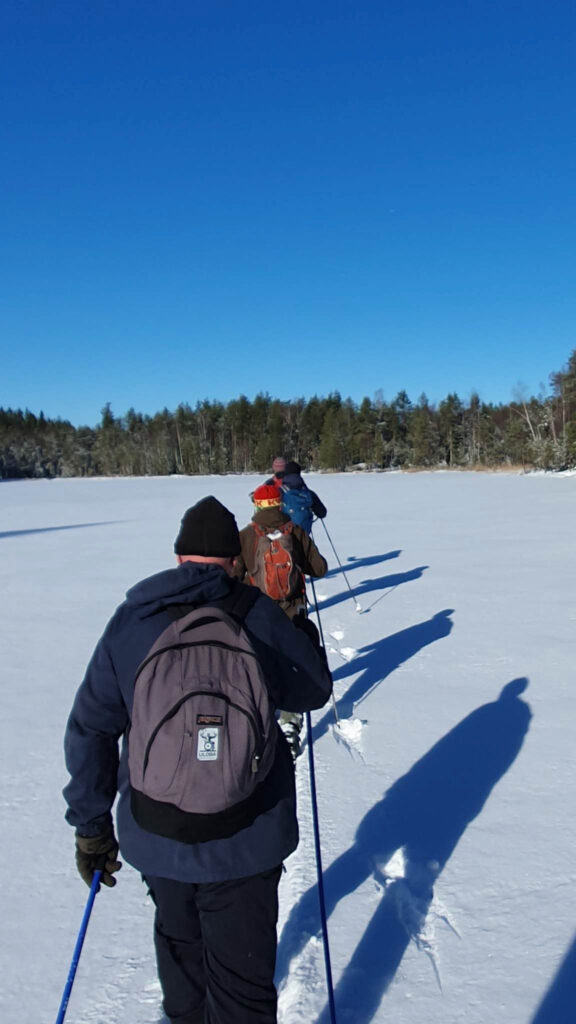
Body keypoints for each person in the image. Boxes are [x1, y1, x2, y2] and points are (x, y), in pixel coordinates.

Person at [63, 496, 332, 1024]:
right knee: (242, 991)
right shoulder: (259, 615)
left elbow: (91, 727)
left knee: (183, 963)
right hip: (247, 839)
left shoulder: (132, 621)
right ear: (234, 561)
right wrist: (304, 636)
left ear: (179, 558)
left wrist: (91, 826)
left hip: (159, 834)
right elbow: (314, 691)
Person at [234, 484, 328, 757]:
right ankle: (290, 725)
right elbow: (320, 569)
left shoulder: (246, 537)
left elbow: (233, 575)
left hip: (258, 614)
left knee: (259, 666)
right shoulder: (294, 531)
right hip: (293, 613)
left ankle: (260, 722)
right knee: (294, 668)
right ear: (279, 504)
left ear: (258, 506)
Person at [280, 461, 327, 535]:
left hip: (284, 538)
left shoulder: (279, 491)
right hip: (304, 537)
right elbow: (322, 513)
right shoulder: (308, 493)